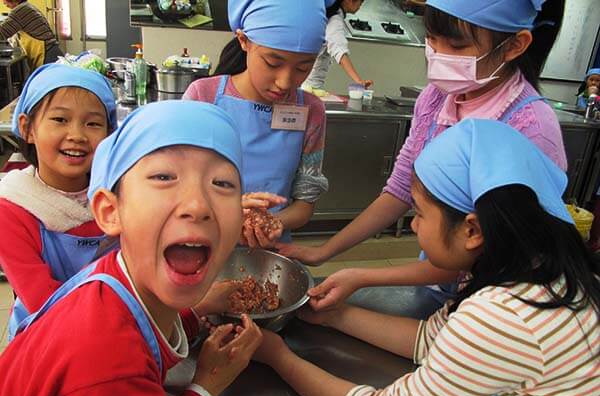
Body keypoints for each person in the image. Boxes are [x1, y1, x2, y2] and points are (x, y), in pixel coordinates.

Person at [254, 119, 600, 396]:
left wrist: (279, 357)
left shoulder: (505, 314)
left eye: (419, 213)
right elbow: (432, 339)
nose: (414, 227)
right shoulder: (539, 267)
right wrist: (334, 316)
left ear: (472, 230)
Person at [279, 0, 568, 318]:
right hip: (435, 280)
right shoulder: (436, 99)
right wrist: (324, 252)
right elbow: (400, 189)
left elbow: (501, 259)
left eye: (456, 45)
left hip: (492, 305)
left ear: (515, 45)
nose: (439, 54)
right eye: (431, 39)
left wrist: (363, 276)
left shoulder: (531, 128)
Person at [0, 100, 263, 396]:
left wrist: (196, 312)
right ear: (110, 211)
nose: (198, 205)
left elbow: (142, 321)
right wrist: (206, 389)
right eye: (164, 177)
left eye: (223, 183)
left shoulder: (114, 275)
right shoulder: (107, 364)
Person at [183, 0, 329, 247]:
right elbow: (176, 186)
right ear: (243, 41)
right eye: (273, 63)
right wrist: (226, 210)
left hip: (267, 250)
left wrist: (271, 222)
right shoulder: (203, 97)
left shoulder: (311, 111)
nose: (285, 82)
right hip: (201, 242)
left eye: (303, 68)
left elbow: (304, 204)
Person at [0, 63, 117, 340]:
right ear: (27, 128)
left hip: (113, 326)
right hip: (46, 337)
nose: (76, 135)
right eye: (60, 120)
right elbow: (44, 302)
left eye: (92, 123)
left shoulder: (114, 195)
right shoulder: (14, 208)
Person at [302, 0, 373, 96]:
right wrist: (359, 81)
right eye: (360, 1)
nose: (361, 4)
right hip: (310, 88)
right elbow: (339, 50)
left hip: (307, 85)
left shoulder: (327, 15)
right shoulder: (335, 20)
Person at [0, 0, 64, 69]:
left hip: (47, 55)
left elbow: (2, 33)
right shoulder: (26, 6)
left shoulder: (20, 10)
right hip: (51, 51)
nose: (3, 3)